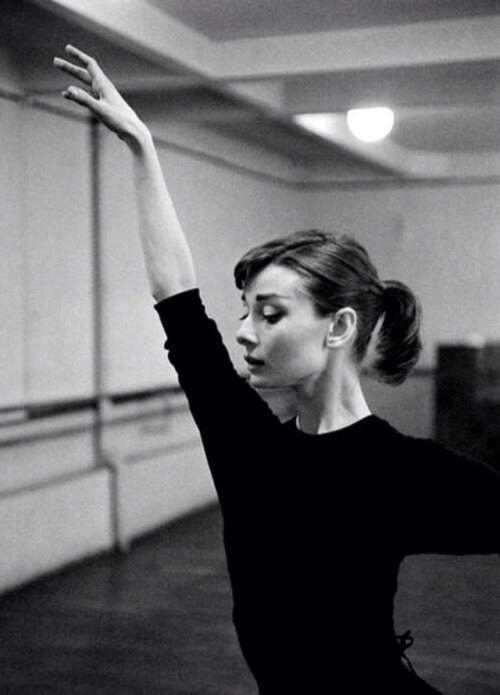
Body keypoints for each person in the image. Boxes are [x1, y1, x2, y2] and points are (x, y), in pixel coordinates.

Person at [55, 46, 500, 694]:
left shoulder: (405, 473)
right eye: (244, 310)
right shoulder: (248, 445)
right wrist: (142, 147)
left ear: (339, 326)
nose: (243, 330)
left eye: (269, 313)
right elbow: (178, 300)